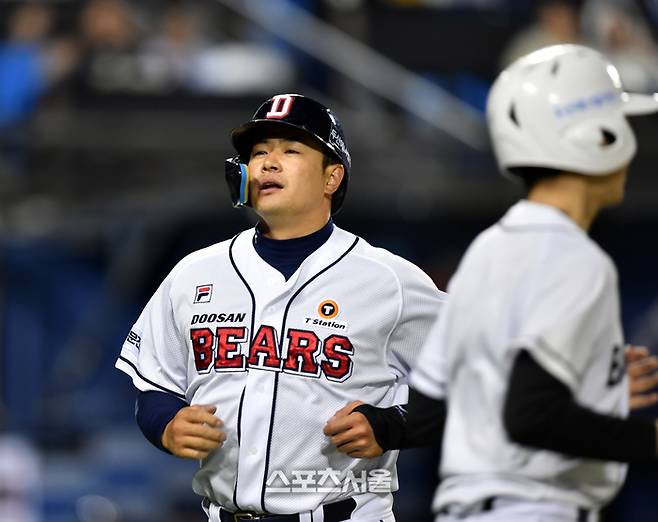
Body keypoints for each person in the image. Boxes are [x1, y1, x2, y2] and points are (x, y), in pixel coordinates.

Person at [324, 44, 658, 521]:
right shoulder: (573, 256)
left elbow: (431, 409)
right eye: (619, 122)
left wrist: (587, 399)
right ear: (592, 134)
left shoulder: (490, 249)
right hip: (534, 509)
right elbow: (531, 415)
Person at [115, 93, 446, 521]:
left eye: (291, 151)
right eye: (258, 153)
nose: (269, 163)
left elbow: (478, 379)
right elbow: (154, 387)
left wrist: (394, 425)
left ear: (332, 178)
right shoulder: (195, 272)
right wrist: (167, 424)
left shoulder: (390, 280)